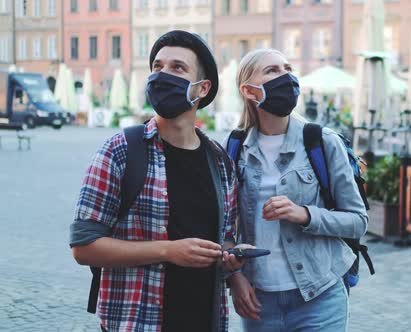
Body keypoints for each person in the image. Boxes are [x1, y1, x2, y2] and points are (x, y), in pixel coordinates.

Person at [69, 30, 244, 332]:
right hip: (138, 323)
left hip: (205, 320)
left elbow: (225, 238)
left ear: (201, 88)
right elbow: (83, 246)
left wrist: (231, 257)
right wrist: (168, 250)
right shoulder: (120, 150)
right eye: (157, 67)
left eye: (177, 68)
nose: (162, 76)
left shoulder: (220, 162)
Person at [226, 48, 368, 331]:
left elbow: (358, 221)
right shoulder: (235, 149)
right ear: (249, 91)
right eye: (272, 71)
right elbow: (224, 227)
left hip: (320, 296)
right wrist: (235, 277)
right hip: (258, 300)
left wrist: (304, 214)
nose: (286, 76)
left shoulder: (323, 142)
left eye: (288, 68)